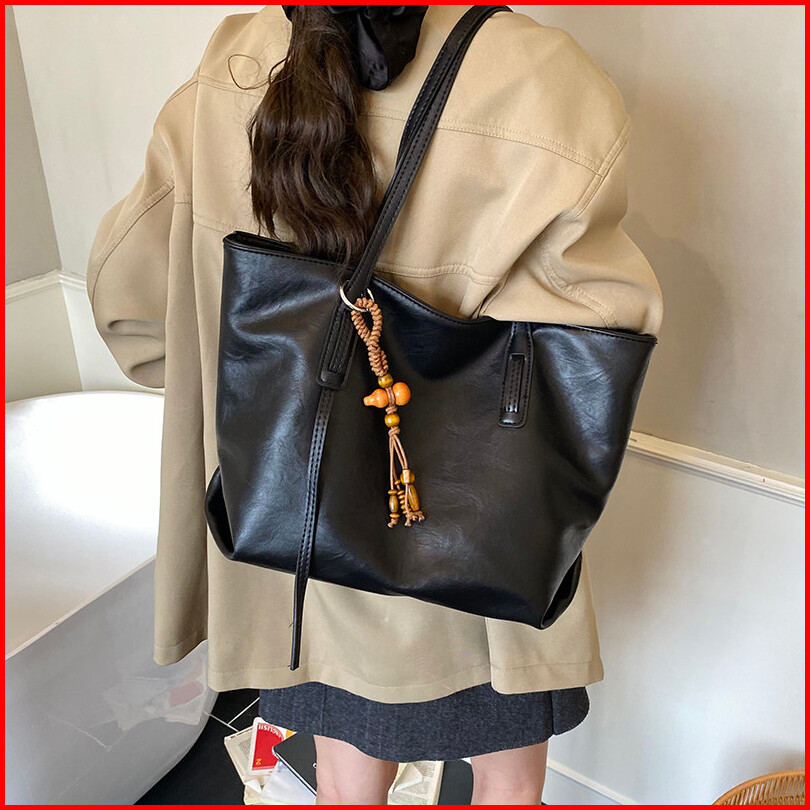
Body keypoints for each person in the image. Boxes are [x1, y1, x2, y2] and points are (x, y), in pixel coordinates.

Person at [87, 5, 663, 805]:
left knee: (345, 785)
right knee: (508, 785)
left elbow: (132, 308)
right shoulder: (543, 78)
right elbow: (597, 348)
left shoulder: (234, 64)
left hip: (298, 545)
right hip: (480, 559)